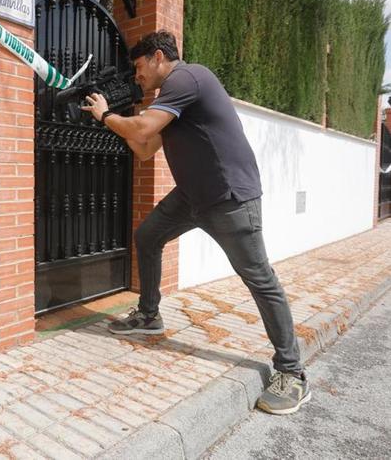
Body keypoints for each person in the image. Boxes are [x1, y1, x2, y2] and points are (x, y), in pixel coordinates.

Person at [81, 30, 309, 415]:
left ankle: (293, 373)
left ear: (157, 58)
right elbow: (144, 149)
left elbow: (140, 131)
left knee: (260, 279)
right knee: (148, 236)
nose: (136, 76)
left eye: (138, 67)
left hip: (229, 198)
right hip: (192, 197)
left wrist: (108, 113)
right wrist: (110, 122)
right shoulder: (171, 100)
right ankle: (149, 315)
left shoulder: (187, 78)